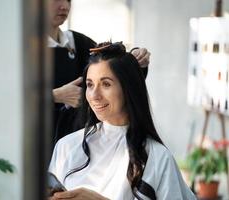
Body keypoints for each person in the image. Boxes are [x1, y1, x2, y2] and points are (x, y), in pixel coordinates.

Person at [48, 42, 196, 200]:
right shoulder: (67, 146)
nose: (94, 95)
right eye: (90, 85)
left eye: (106, 84)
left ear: (128, 88)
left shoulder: (157, 157)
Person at [49, 0, 151, 145]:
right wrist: (54, 96)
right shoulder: (19, 46)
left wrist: (135, 60)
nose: (64, 6)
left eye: (68, 0)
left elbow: (113, 65)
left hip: (85, 137)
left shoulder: (77, 42)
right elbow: (8, 99)